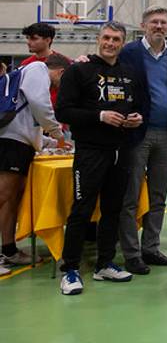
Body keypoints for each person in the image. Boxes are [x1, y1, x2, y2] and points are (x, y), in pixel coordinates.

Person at [56, 22, 142, 295]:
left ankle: (104, 263)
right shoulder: (78, 70)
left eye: (116, 39)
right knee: (82, 209)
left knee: (113, 209)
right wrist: (99, 116)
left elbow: (136, 107)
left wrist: (136, 119)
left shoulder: (129, 73)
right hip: (90, 151)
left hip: (122, 151)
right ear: (98, 39)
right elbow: (63, 112)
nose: (110, 43)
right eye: (106, 37)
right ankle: (70, 269)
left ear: (122, 43)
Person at [117, 6, 167, 275]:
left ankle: (151, 247)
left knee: (158, 195)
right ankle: (132, 253)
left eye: (163, 22)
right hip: (137, 133)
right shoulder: (129, 52)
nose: (158, 26)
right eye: (153, 22)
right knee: (131, 195)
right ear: (143, 25)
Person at [0, 56, 67, 274]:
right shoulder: (38, 69)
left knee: (11, 199)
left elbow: (31, 126)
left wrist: (52, 141)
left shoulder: (29, 78)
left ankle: (8, 250)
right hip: (9, 143)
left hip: (19, 145)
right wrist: (57, 132)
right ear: (61, 73)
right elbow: (40, 104)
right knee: (3, 197)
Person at [19, 22, 70, 104]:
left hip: (56, 111)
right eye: (27, 38)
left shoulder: (64, 62)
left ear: (48, 40)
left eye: (34, 38)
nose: (28, 42)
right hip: (31, 111)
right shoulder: (25, 64)